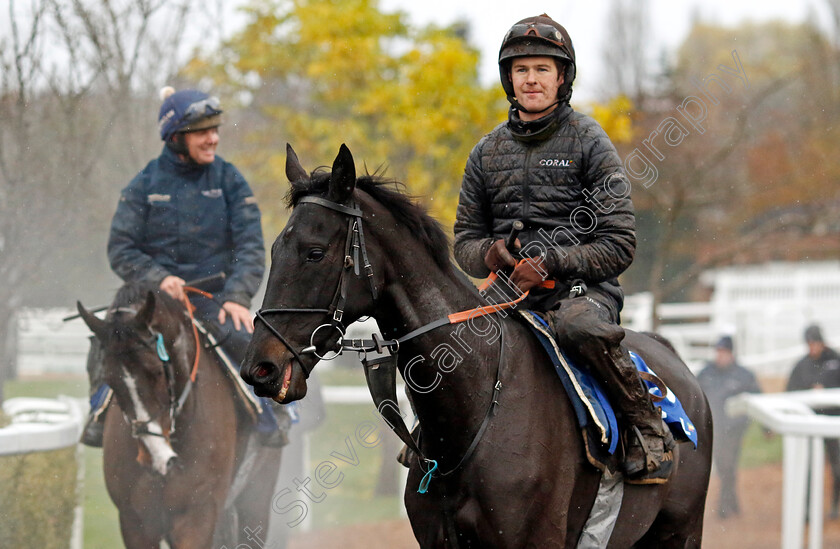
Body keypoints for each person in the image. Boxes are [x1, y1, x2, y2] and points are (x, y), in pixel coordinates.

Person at [453, 14, 675, 484]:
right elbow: (464, 243)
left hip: (581, 293)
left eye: (542, 69)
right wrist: (492, 255)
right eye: (521, 69)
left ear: (561, 78)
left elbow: (619, 244)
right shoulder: (484, 152)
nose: (531, 79)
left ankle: (646, 427)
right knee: (444, 342)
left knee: (577, 326)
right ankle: (435, 443)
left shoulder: (591, 141)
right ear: (508, 79)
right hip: (506, 295)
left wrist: (552, 261)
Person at [80, 86, 289, 448]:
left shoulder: (230, 182)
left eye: (216, 130)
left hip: (215, 299)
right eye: (203, 132)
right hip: (152, 301)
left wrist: (237, 298)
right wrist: (160, 279)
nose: (213, 139)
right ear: (176, 137)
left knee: (247, 341)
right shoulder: (142, 185)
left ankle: (274, 413)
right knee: (106, 340)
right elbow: (121, 248)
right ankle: (98, 414)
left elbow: (251, 248)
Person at [696, 335, 761, 518]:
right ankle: (731, 502)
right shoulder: (706, 373)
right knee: (725, 466)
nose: (720, 356)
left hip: (734, 430)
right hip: (714, 429)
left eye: (723, 352)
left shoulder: (744, 376)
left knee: (727, 464)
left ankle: (725, 504)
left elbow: (757, 400)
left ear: (731, 353)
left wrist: (765, 429)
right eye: (718, 352)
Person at [787, 324, 840, 518]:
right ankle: (807, 509)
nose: (813, 348)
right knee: (807, 467)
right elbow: (790, 391)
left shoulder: (835, 359)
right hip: (809, 424)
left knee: (837, 465)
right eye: (810, 344)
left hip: (833, 422)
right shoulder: (801, 366)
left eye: (815, 343)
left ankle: (835, 505)